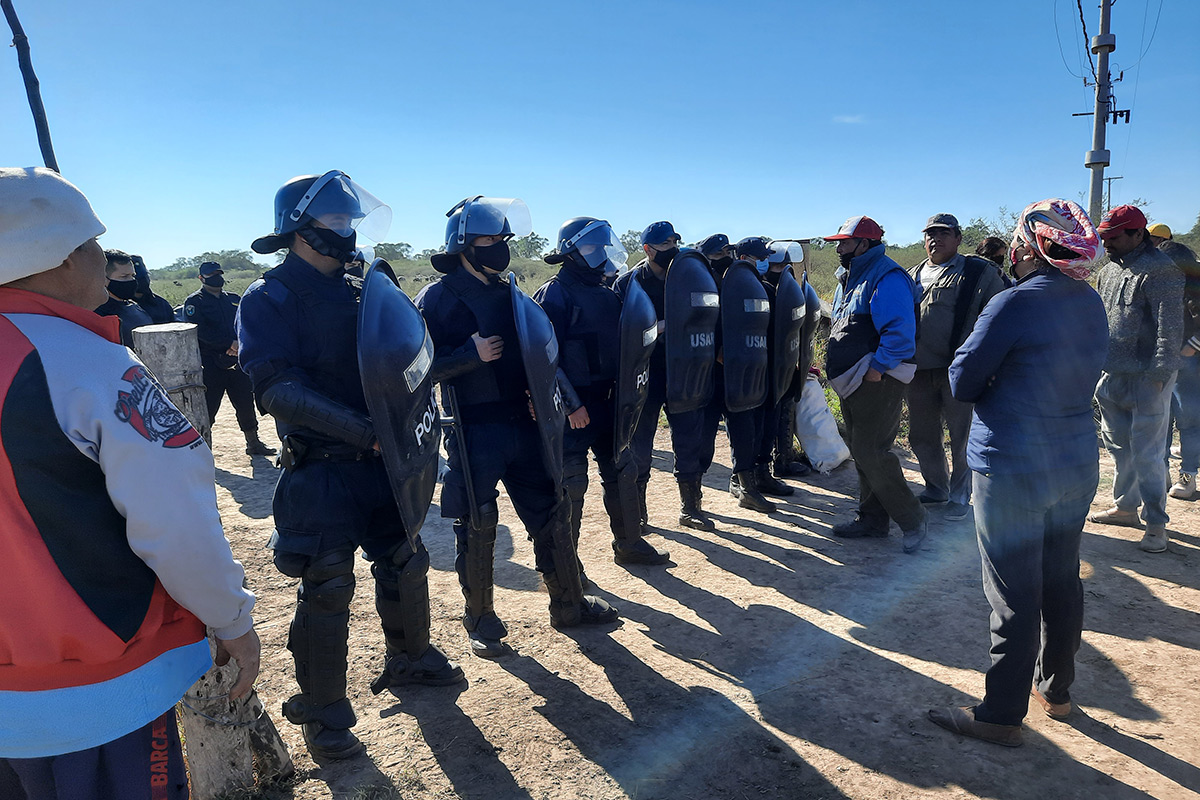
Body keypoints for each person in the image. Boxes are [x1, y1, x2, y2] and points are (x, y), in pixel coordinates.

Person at [0, 167, 259, 799]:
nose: (102, 260)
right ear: (57, 256)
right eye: (93, 245)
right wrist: (230, 619)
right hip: (96, 687)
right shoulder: (88, 363)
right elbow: (174, 519)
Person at [239, 171, 463, 761]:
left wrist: (401, 429)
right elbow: (275, 388)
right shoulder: (268, 299)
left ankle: (411, 659)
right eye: (336, 223)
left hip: (386, 464)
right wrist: (363, 432)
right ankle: (322, 710)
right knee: (328, 587)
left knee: (407, 561)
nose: (347, 232)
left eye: (349, 222)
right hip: (324, 467)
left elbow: (404, 356)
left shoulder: (364, 288)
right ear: (300, 229)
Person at [930, 198, 1106, 747]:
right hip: (1075, 462)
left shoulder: (1013, 303)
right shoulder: (1091, 302)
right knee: (1061, 578)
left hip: (1013, 467)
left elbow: (961, 382)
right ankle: (1056, 691)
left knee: (1012, 592)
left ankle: (1001, 716)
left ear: (1029, 246)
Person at [416, 196, 617, 660]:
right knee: (479, 522)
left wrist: (558, 400)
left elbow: (543, 354)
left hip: (524, 424)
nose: (499, 248)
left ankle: (569, 604)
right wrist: (469, 356)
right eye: (489, 240)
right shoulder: (437, 298)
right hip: (473, 429)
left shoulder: (511, 292)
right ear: (464, 245)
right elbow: (412, 371)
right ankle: (481, 621)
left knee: (552, 510)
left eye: (503, 240)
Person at [534, 217, 670, 569]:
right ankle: (569, 565)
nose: (599, 254)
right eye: (591, 247)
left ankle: (629, 543)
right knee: (571, 486)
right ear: (572, 251)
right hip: (574, 409)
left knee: (622, 470)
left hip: (610, 402)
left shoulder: (607, 292)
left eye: (601, 246)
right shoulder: (555, 294)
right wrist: (571, 404)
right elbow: (545, 359)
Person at [824, 216, 927, 553]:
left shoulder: (887, 276)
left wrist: (877, 369)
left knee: (872, 452)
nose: (838, 248)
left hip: (876, 380)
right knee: (860, 449)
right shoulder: (850, 277)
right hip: (856, 381)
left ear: (864, 244)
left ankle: (913, 520)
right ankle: (872, 519)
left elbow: (899, 334)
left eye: (844, 242)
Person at [1087, 204, 1184, 553]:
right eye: (1104, 237)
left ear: (1137, 234)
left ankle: (1156, 524)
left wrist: (1159, 375)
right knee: (1119, 447)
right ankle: (1127, 507)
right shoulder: (1109, 270)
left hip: (1148, 378)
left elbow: (1170, 328)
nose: (1107, 243)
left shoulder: (1161, 271)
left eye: (1114, 237)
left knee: (1148, 452)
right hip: (1112, 373)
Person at [614, 221, 719, 531]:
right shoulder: (628, 284)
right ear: (647, 249)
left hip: (686, 374)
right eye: (664, 245)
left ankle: (691, 508)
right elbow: (617, 331)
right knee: (640, 447)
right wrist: (656, 328)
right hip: (645, 376)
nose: (672, 250)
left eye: (675, 242)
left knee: (690, 442)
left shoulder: (690, 277)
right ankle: (638, 513)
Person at [906, 214, 1008, 520]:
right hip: (917, 370)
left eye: (943, 233)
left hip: (959, 369)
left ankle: (961, 496)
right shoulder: (911, 274)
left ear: (958, 238)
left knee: (962, 436)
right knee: (921, 435)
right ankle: (935, 488)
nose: (935, 239)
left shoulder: (979, 272)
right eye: (929, 234)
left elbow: (998, 316)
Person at [183, 261, 276, 456]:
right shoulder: (194, 302)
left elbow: (246, 323)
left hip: (237, 360)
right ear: (201, 278)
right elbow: (199, 331)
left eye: (219, 273)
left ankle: (253, 442)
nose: (217, 278)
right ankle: (200, 449)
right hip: (211, 363)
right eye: (211, 275)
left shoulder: (234, 299)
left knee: (244, 403)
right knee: (208, 408)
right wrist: (228, 343)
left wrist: (240, 343)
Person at [1148, 223, 1200, 500]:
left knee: (1189, 420)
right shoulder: (1165, 284)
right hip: (1164, 360)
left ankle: (1187, 477)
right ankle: (1163, 473)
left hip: (1188, 363)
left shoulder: (1193, 285)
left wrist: (1189, 351)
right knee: (1162, 420)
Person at [96, 249, 153, 347]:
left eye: (132, 276)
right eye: (124, 276)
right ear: (104, 279)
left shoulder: (135, 307)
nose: (131, 281)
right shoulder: (99, 314)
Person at [129, 253, 177, 324]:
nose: (143, 280)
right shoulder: (122, 306)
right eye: (137, 278)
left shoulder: (162, 305)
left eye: (145, 276)